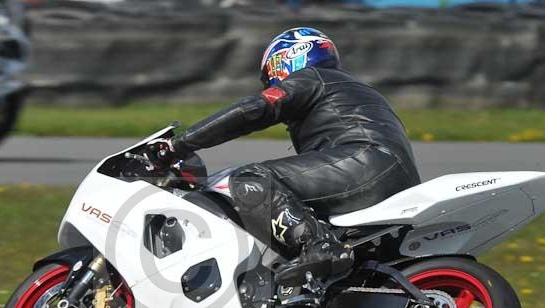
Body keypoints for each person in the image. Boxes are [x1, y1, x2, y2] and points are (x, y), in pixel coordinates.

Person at [152, 27, 421, 285]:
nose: (270, 81)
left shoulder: (313, 76)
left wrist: (179, 145)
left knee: (250, 178)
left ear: (288, 58)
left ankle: (319, 245)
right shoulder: (354, 88)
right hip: (393, 175)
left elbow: (254, 109)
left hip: (364, 163)